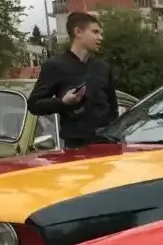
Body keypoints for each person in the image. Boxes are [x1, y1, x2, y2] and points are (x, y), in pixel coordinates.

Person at [27, 12, 118, 149]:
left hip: (107, 145)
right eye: (95, 32)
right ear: (78, 32)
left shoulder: (103, 68)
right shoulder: (55, 66)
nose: (100, 37)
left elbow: (113, 109)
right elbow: (34, 105)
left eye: (101, 33)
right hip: (76, 147)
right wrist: (63, 102)